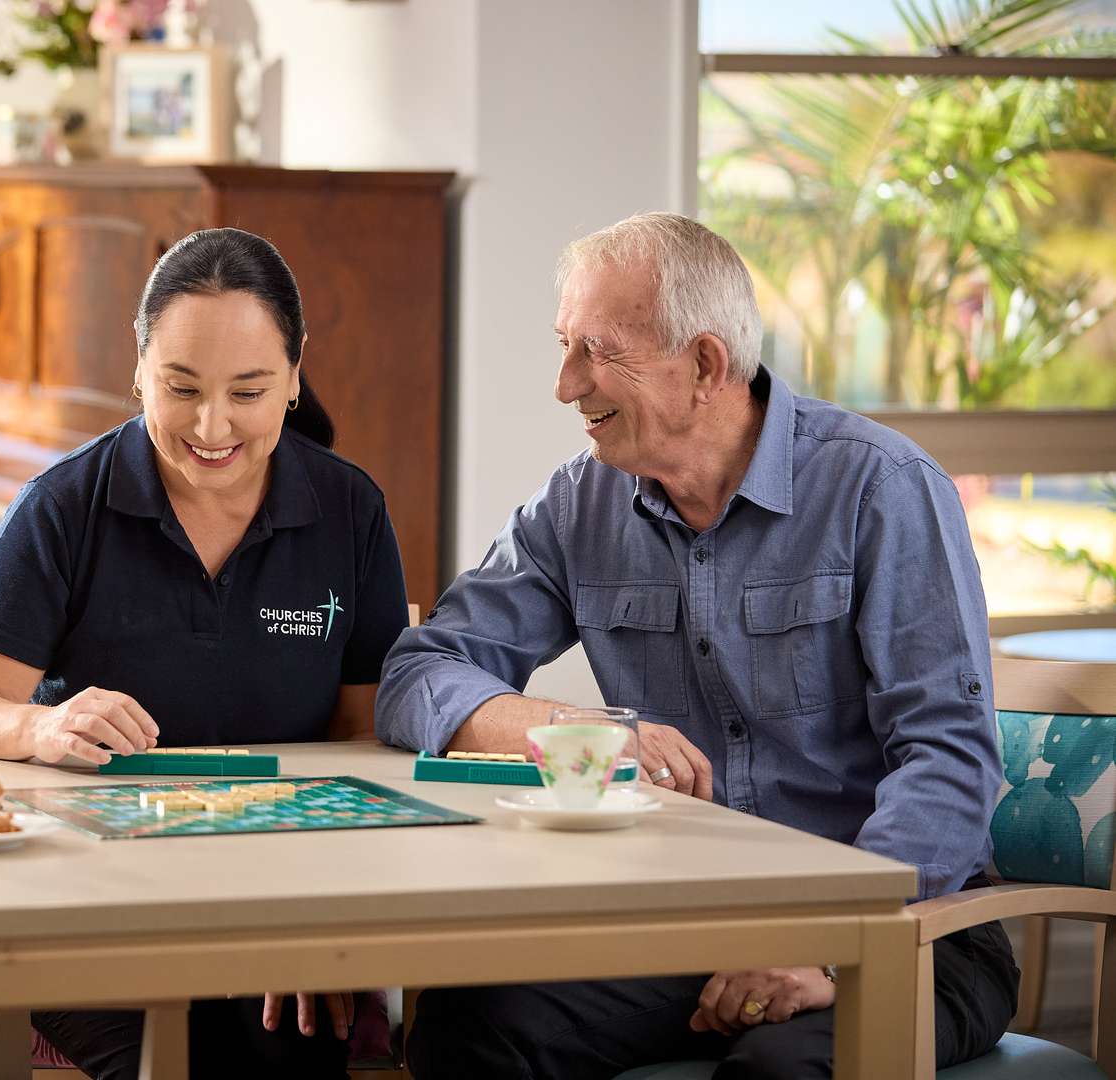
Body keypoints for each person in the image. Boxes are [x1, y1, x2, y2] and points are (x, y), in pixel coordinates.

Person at [375, 212, 1018, 1079]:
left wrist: (829, 946)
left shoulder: (882, 488)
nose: (565, 386)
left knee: (778, 1070)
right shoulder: (576, 505)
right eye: (564, 346)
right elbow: (418, 673)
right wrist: (567, 729)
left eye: (595, 352)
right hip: (692, 921)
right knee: (470, 1025)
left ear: (706, 365)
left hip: (909, 928)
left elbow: (948, 757)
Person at [0, 227, 410, 1079]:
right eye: (180, 388)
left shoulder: (349, 510)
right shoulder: (62, 507)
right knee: (178, 1059)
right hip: (88, 897)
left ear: (294, 374)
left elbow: (366, 739)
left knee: (282, 1050)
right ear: (139, 367)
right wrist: (41, 725)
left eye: (247, 391)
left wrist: (322, 918)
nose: (210, 426)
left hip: (282, 890)